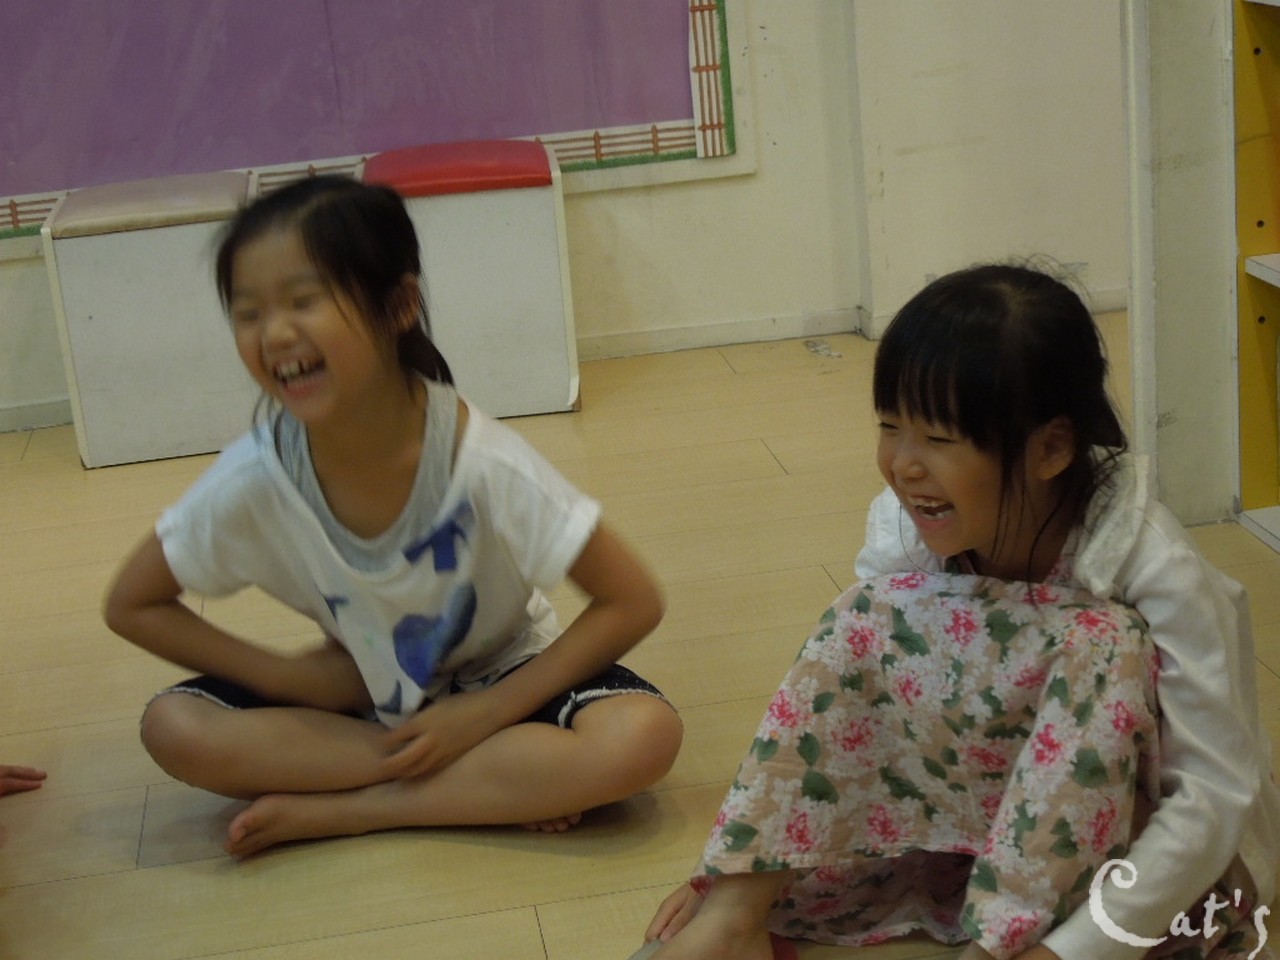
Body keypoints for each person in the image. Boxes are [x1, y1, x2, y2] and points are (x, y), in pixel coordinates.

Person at [636, 264, 1279, 960]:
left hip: (1140, 859)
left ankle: (1009, 942)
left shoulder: (1155, 564)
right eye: (890, 428)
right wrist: (736, 867)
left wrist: (1071, 950)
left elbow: (1213, 796)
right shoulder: (903, 531)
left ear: (1051, 448)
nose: (904, 465)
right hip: (976, 834)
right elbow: (858, 715)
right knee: (863, 617)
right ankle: (734, 918)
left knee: (1103, 642)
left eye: (939, 440)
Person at [103, 175, 682, 859]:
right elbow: (133, 603)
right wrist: (289, 678)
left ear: (399, 304)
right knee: (175, 726)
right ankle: (493, 784)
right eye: (248, 312)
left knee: (643, 735)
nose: (275, 333)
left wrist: (487, 714)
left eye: (305, 300)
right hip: (360, 698)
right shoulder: (256, 476)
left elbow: (633, 600)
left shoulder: (481, 462)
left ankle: (359, 809)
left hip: (502, 680)